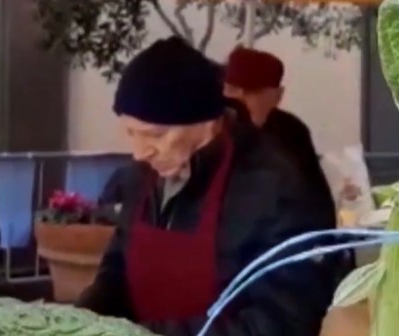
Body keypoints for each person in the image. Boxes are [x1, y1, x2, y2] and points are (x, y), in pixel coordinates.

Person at [77, 37, 337, 336]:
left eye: (156, 135)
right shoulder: (139, 178)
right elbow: (115, 275)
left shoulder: (279, 188)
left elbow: (283, 320)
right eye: (131, 133)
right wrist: (77, 324)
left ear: (206, 122)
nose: (140, 153)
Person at [223, 47, 334, 217]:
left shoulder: (292, 132)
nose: (240, 100)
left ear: (277, 96)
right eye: (232, 90)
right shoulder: (211, 132)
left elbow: (316, 200)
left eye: (252, 92)